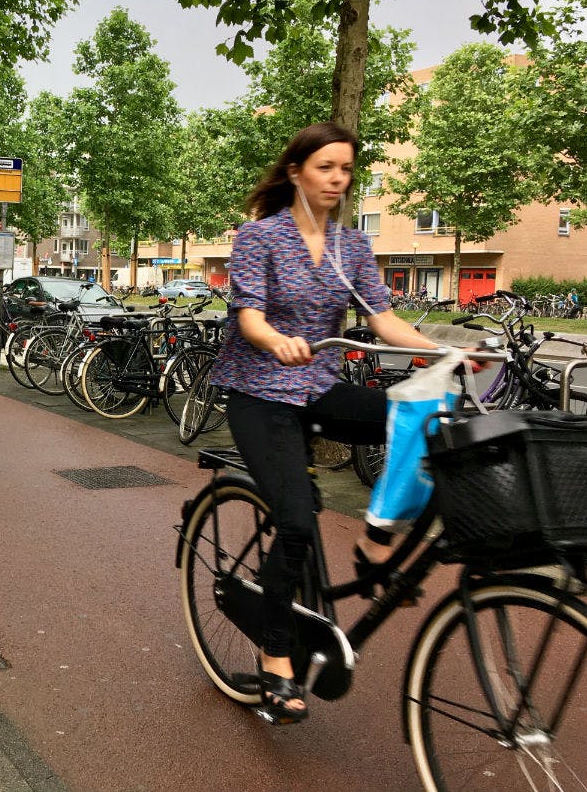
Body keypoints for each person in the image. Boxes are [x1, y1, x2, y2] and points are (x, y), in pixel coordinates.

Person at [209, 122, 443, 725]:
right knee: (294, 522)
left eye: (345, 169)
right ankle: (275, 656)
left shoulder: (354, 249)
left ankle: (375, 540)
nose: (338, 179)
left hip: (317, 387)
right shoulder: (259, 237)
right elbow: (249, 318)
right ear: (296, 172)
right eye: (326, 168)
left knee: (420, 422)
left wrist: (443, 350)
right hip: (259, 392)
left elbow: (385, 321)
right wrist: (277, 341)